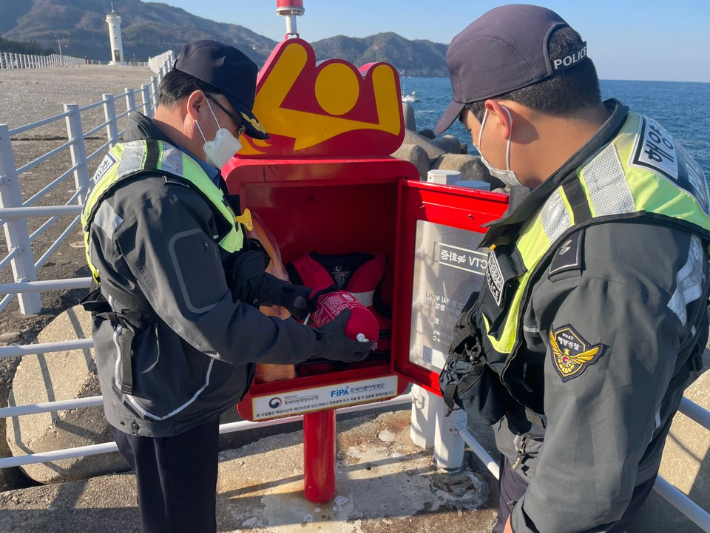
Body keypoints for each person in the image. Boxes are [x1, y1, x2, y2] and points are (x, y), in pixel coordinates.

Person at [436, 5, 710, 533]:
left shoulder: (609, 268)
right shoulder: (635, 140)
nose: (474, 146)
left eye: (469, 127)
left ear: (499, 116)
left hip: (551, 481)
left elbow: (584, 481)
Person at [81, 40, 371, 533]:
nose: (236, 140)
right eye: (236, 125)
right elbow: (214, 324)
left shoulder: (167, 166)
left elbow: (215, 258)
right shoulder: (156, 200)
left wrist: (285, 294)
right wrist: (320, 343)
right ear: (198, 105)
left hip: (175, 380)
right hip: (167, 403)